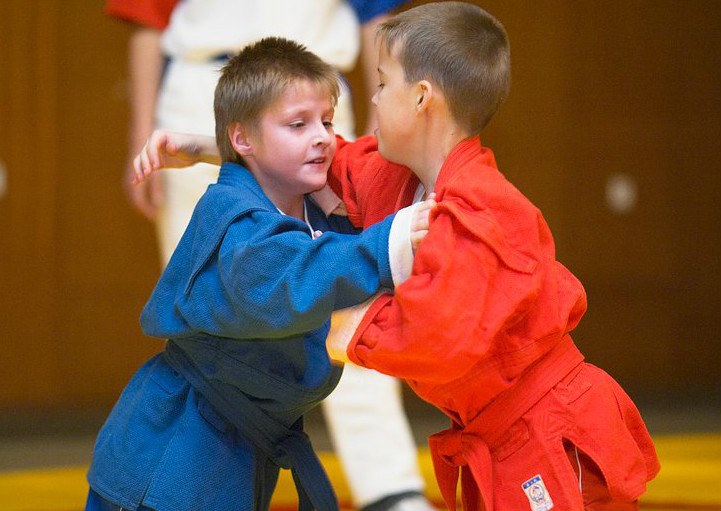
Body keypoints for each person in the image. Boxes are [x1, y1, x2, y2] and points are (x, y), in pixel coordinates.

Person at [134, 3, 662, 509]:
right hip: (493, 430)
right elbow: (329, 159)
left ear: (421, 100)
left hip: (548, 425)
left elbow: (433, 337)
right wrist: (210, 146)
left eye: (383, 83)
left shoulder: (486, 212)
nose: (373, 96)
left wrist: (317, 303)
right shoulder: (403, 178)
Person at [105, 2, 435, 510]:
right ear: (239, 139)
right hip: (202, 82)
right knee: (221, 332)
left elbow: (376, 16)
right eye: (307, 127)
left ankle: (390, 488)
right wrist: (385, 242)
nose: (317, 137)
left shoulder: (311, 140)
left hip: (313, 73)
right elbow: (285, 284)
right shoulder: (236, 214)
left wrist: (372, 140)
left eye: (320, 127)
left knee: (352, 316)